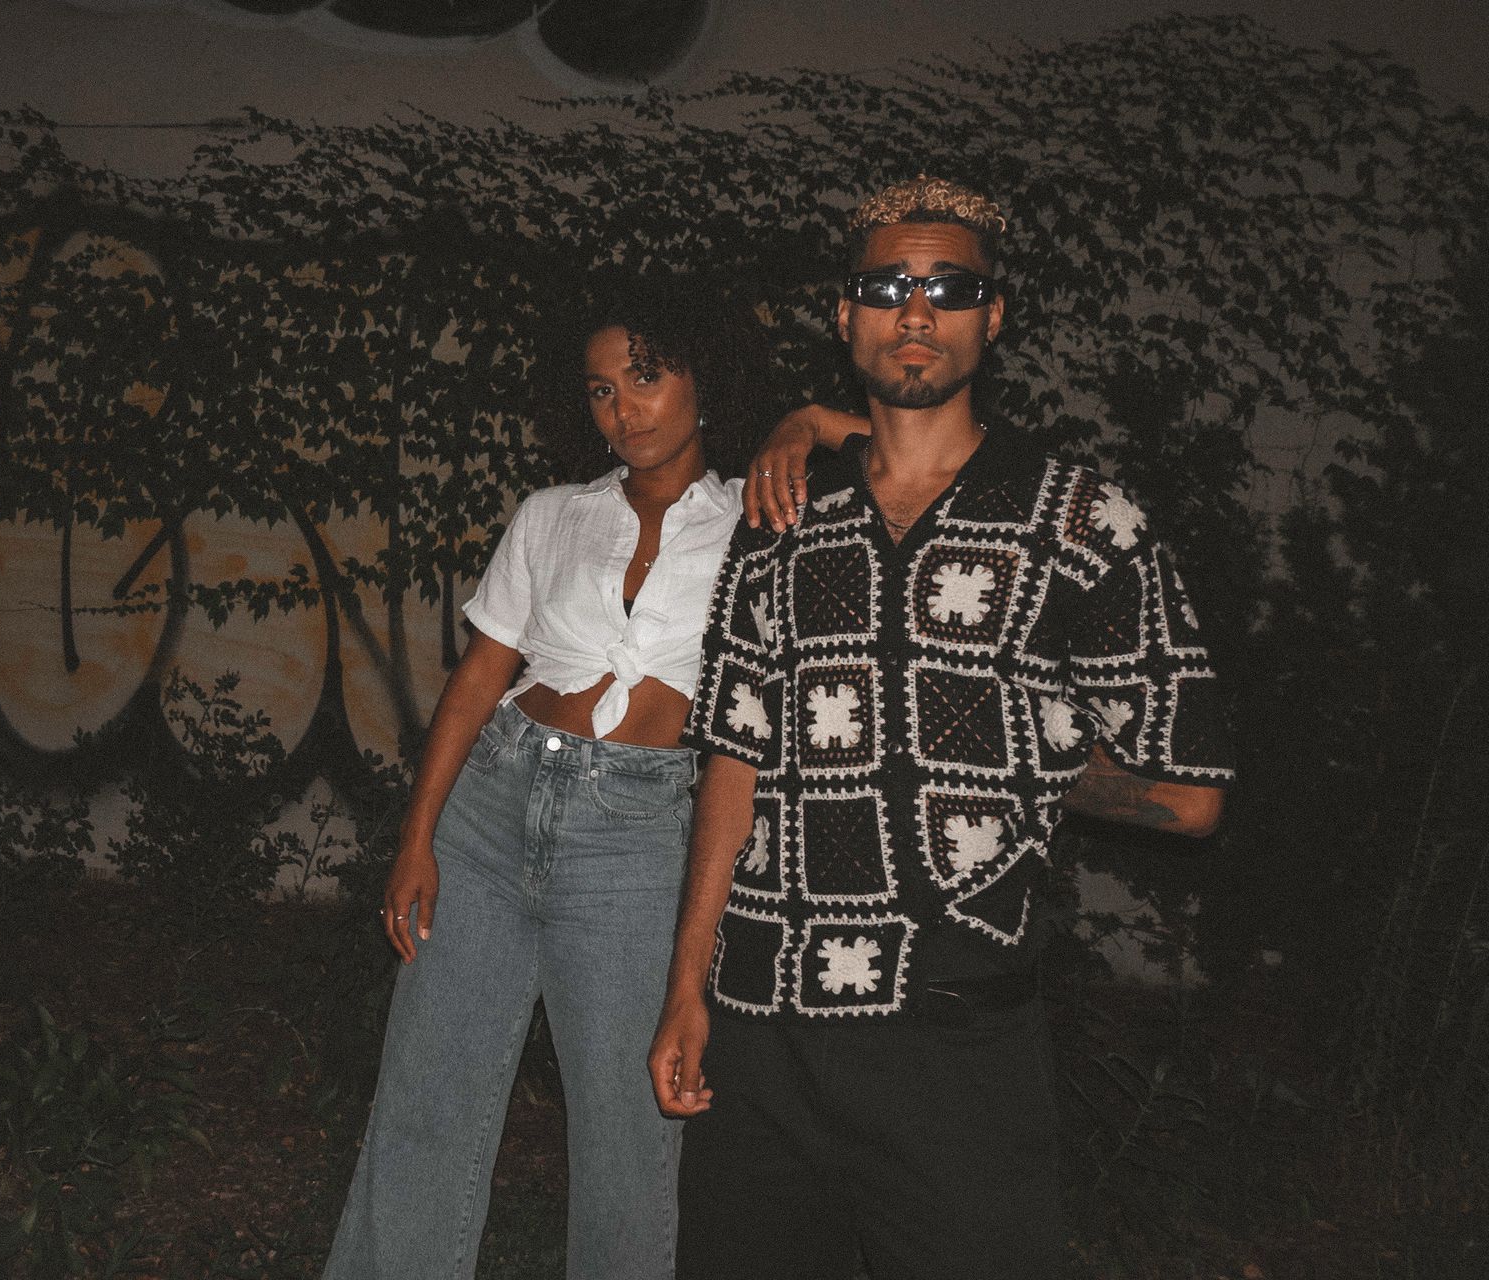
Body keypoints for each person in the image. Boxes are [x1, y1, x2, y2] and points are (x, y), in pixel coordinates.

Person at [649, 175, 1235, 1280]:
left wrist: (1042, 759)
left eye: (948, 286)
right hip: (761, 1031)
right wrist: (686, 985)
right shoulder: (784, 516)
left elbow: (1191, 792)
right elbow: (732, 752)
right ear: (845, 314)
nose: (915, 309)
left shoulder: (1082, 523)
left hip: (955, 1038)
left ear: (992, 316)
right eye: (887, 285)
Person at [322, 279, 861, 1280]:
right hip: (489, 807)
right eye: (602, 390)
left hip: (638, 833)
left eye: (646, 377)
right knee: (425, 1100)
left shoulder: (768, 516)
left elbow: (931, 474)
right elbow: (481, 675)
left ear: (707, 377)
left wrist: (813, 420)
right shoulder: (550, 516)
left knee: (631, 1134)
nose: (623, 408)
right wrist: (417, 837)